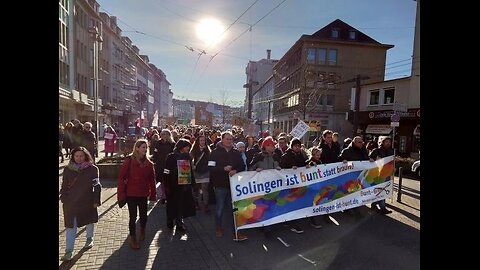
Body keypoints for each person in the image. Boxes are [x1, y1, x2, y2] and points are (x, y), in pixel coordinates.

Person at [60, 147, 101, 261]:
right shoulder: (68, 169)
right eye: (76, 156)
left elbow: (97, 185)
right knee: (70, 226)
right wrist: (63, 197)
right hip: (71, 202)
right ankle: (68, 252)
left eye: (81, 156)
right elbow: (64, 185)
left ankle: (89, 238)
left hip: (87, 201)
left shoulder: (92, 169)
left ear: (85, 156)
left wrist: (96, 200)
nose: (79, 158)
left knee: (89, 221)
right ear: (73, 156)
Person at [117, 139, 156, 250]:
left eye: (146, 147)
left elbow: (152, 180)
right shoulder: (129, 161)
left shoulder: (149, 163)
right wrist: (121, 195)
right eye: (143, 147)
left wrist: (153, 194)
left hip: (143, 193)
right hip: (131, 194)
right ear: (137, 148)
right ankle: (133, 238)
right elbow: (121, 178)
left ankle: (142, 229)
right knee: (132, 217)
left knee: (143, 215)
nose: (145, 149)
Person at [209, 131, 248, 241]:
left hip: (233, 185)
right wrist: (223, 169)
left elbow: (242, 165)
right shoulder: (214, 153)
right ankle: (218, 227)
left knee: (234, 209)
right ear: (222, 140)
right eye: (227, 139)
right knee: (220, 208)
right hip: (220, 184)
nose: (229, 141)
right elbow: (211, 168)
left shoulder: (236, 153)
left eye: (231, 139)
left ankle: (235, 231)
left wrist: (235, 170)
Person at [248, 136, 282, 237]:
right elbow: (249, 169)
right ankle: (265, 226)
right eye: (272, 145)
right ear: (266, 146)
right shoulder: (258, 156)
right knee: (263, 206)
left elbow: (281, 167)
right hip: (261, 187)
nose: (274, 147)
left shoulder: (276, 156)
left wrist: (280, 168)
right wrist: (255, 170)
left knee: (272, 205)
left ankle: (269, 224)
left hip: (273, 186)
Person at [164, 139, 197, 231]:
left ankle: (179, 223)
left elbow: (190, 172)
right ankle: (170, 220)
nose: (188, 148)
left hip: (183, 185)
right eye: (187, 146)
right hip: (172, 184)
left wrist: (192, 184)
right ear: (181, 147)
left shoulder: (187, 157)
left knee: (181, 204)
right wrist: (166, 184)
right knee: (171, 203)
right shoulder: (171, 156)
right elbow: (166, 171)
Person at [369, 136, 394, 214]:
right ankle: (382, 207)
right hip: (378, 174)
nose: (388, 143)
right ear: (383, 142)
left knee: (383, 190)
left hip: (387, 174)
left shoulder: (391, 151)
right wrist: (371, 159)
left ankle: (375, 205)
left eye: (389, 142)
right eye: (386, 142)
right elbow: (369, 159)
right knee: (379, 190)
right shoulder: (376, 150)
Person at [190, 135, 212, 213]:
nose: (202, 142)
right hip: (196, 172)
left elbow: (211, 160)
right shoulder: (194, 150)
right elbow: (190, 158)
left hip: (205, 172)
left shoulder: (208, 150)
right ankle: (196, 203)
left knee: (205, 189)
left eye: (204, 140)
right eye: (201, 140)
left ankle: (206, 205)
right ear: (198, 141)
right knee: (196, 189)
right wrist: (192, 165)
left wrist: (208, 167)